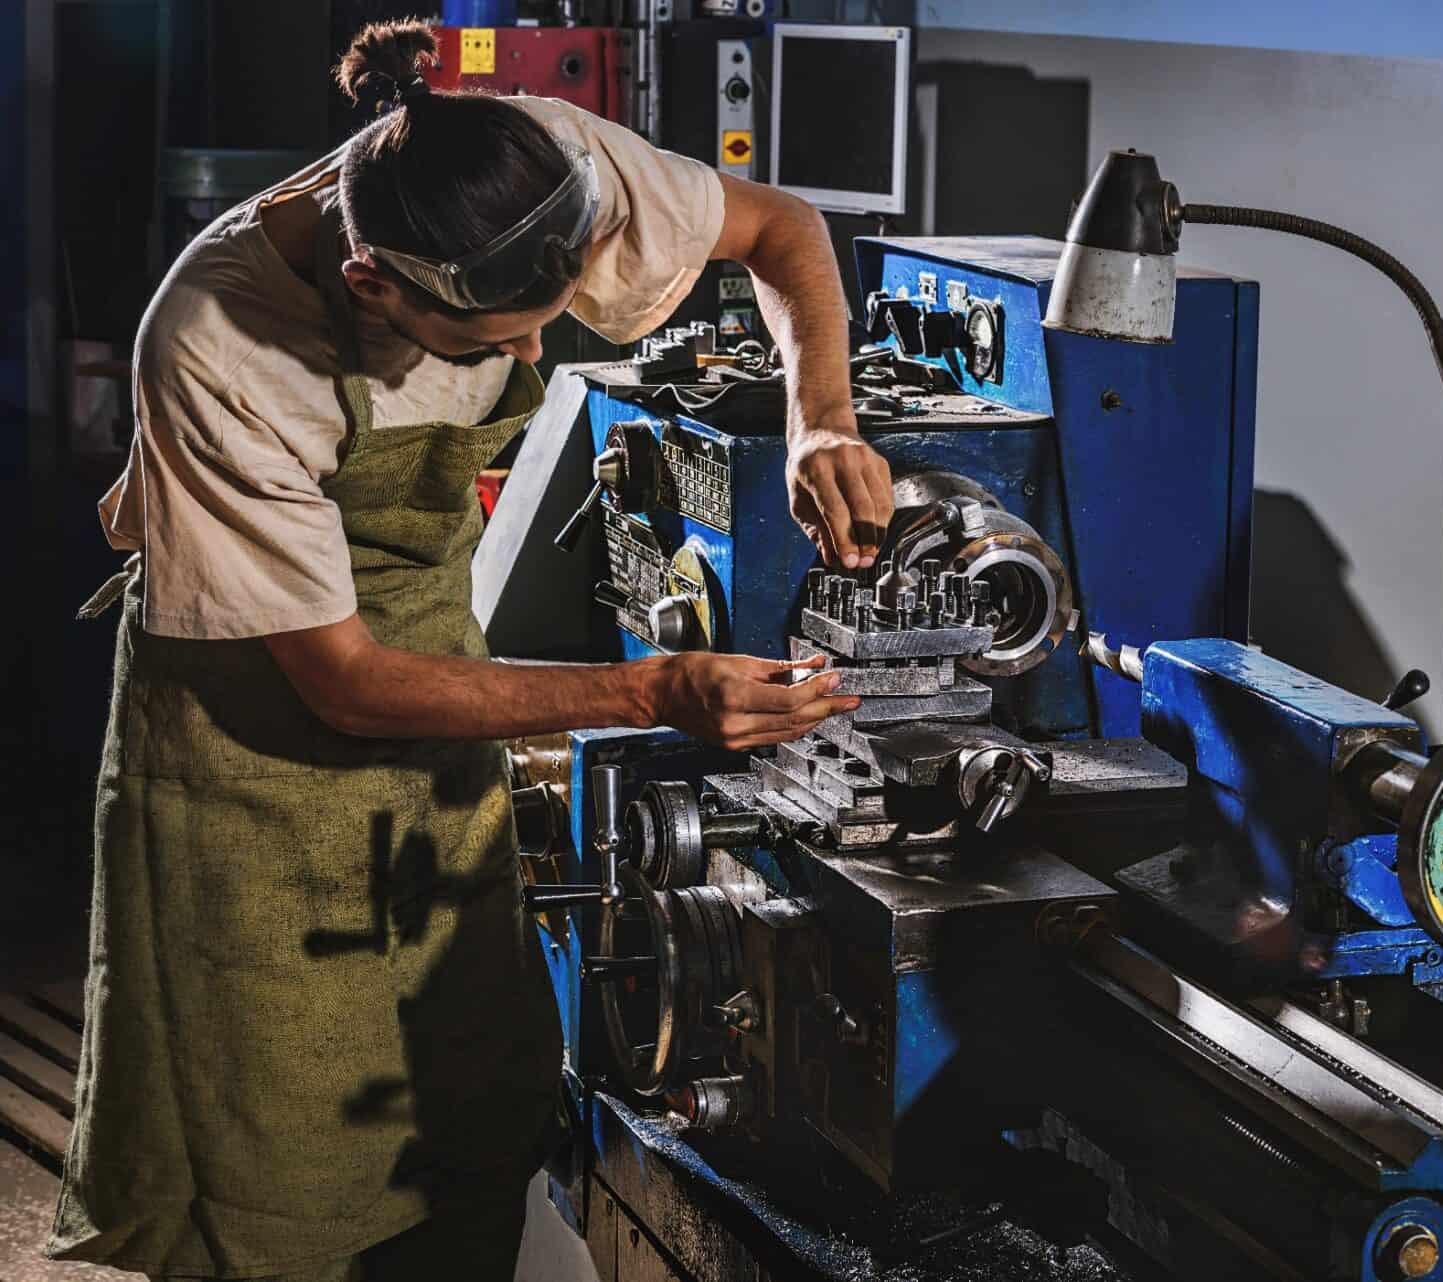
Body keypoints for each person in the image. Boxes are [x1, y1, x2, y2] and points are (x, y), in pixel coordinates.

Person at [49, 18, 892, 1281]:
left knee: (467, 1086)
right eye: (495, 341)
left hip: (426, 661)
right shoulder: (219, 342)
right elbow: (341, 680)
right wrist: (650, 689)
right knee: (273, 1124)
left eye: (545, 323)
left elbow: (785, 232)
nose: (531, 356)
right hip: (249, 733)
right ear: (376, 284)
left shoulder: (558, 168)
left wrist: (821, 417)